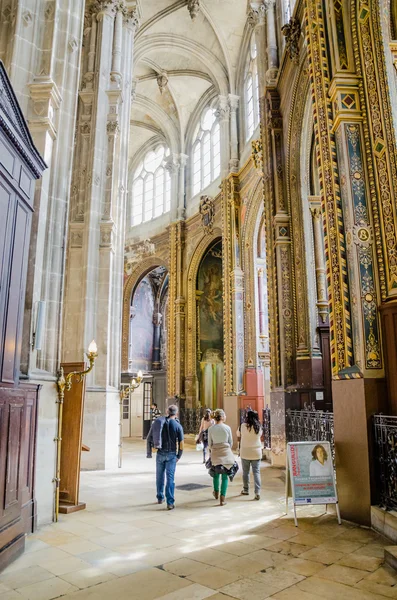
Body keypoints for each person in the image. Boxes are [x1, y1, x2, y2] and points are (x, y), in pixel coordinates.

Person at [146, 403, 184, 510]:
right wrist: (179, 455)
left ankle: (160, 497)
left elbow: (151, 436)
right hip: (171, 454)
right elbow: (181, 443)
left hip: (160, 453)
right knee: (170, 478)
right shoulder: (178, 426)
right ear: (176, 413)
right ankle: (170, 502)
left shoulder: (159, 423)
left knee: (159, 476)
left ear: (167, 412)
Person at [207, 409, 238, 506]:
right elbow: (231, 442)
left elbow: (209, 443)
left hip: (215, 452)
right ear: (222, 417)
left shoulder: (211, 429)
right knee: (225, 476)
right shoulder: (227, 428)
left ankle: (216, 492)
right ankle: (222, 498)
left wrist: (213, 450)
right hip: (226, 453)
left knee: (216, 474)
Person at [237, 410, 263, 500]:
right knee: (256, 472)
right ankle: (257, 492)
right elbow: (260, 435)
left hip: (245, 452)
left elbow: (238, 434)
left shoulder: (243, 426)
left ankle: (246, 489)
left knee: (245, 472)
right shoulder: (258, 426)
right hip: (256, 452)